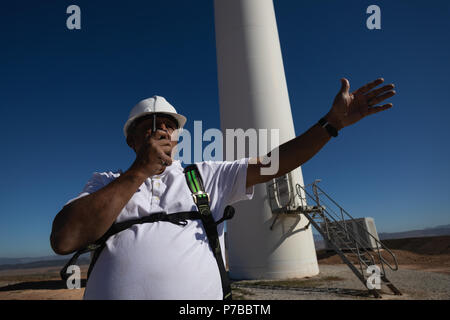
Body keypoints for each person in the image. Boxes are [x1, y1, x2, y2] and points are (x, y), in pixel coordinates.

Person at [50, 77, 395, 299]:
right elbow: (64, 239)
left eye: (169, 127)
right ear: (130, 139)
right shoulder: (104, 182)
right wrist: (138, 172)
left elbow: (275, 162)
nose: (161, 132)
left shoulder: (203, 176)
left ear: (178, 138)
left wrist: (330, 125)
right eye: (149, 127)